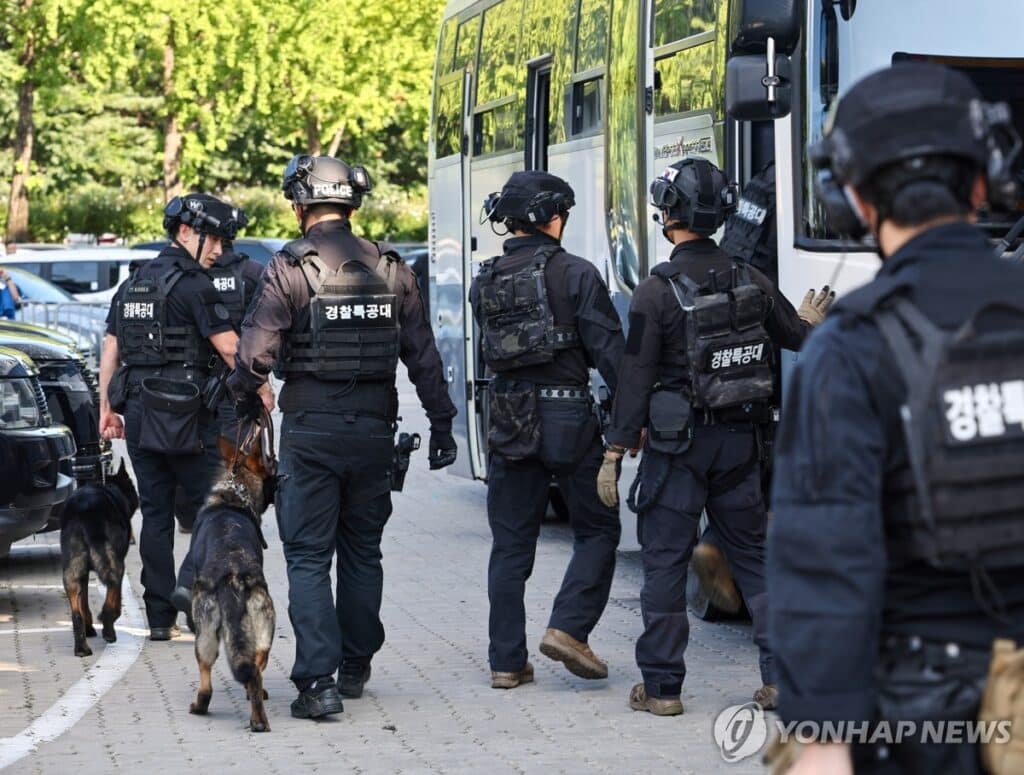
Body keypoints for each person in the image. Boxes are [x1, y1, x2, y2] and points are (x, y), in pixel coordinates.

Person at [768, 62, 1024, 774]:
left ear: (852, 195)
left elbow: (826, 560)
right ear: (984, 179)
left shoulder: (851, 346)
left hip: (927, 722)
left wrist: (822, 739)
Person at [226, 154, 457, 720]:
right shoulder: (392, 269)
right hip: (375, 433)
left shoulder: (289, 269)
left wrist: (237, 396)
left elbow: (256, 357)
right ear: (351, 204)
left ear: (301, 205)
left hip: (312, 432)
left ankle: (317, 685)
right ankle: (356, 666)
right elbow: (425, 357)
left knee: (307, 555)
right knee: (362, 551)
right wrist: (443, 424)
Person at [597, 156, 831, 716]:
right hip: (741, 444)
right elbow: (797, 335)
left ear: (669, 214)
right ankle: (780, 679)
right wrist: (809, 319)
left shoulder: (656, 292)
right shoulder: (751, 277)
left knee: (664, 562)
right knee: (754, 559)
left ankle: (662, 689)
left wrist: (614, 449)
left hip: (678, 451)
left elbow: (635, 378)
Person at [470, 171, 625, 690]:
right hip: (569, 421)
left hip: (508, 422)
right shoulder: (578, 274)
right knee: (599, 530)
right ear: (554, 217)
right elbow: (611, 356)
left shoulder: (484, 279)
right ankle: (568, 627)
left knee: (510, 545)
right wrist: (630, 418)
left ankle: (506, 662)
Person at [98, 193, 270, 640]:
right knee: (212, 509)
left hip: (139, 414)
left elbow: (111, 348)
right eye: (212, 240)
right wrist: (263, 387)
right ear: (187, 232)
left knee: (154, 514)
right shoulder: (197, 286)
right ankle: (189, 595)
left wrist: (106, 411)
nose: (218, 250)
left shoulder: (133, 283)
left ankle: (159, 620)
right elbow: (231, 348)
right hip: (191, 418)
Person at [172, 236, 266, 535]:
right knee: (238, 450)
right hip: (240, 377)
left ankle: (191, 515)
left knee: (195, 447)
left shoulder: (189, 275)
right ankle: (236, 512)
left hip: (195, 379)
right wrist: (262, 382)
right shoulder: (252, 272)